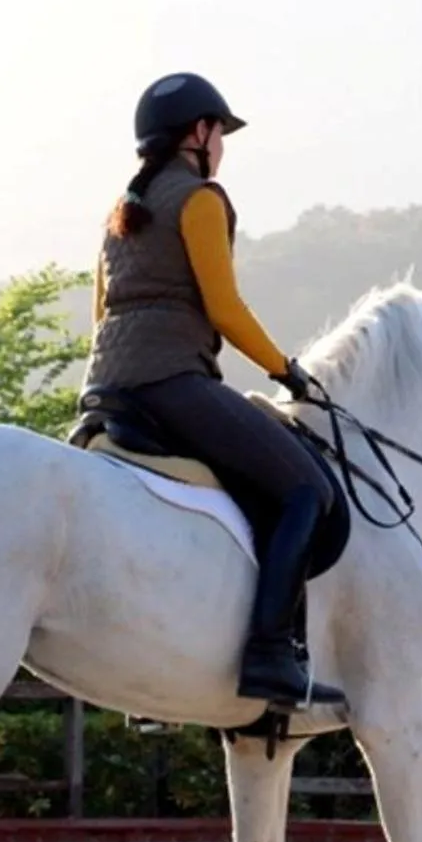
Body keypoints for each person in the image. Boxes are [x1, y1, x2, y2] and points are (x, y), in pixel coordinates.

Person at [82, 72, 345, 711]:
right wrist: (285, 370)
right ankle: (269, 656)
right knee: (304, 489)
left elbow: (99, 313)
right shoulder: (200, 199)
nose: (223, 145)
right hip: (170, 383)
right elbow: (224, 307)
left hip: (104, 386)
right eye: (220, 132)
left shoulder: (121, 212)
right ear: (199, 134)